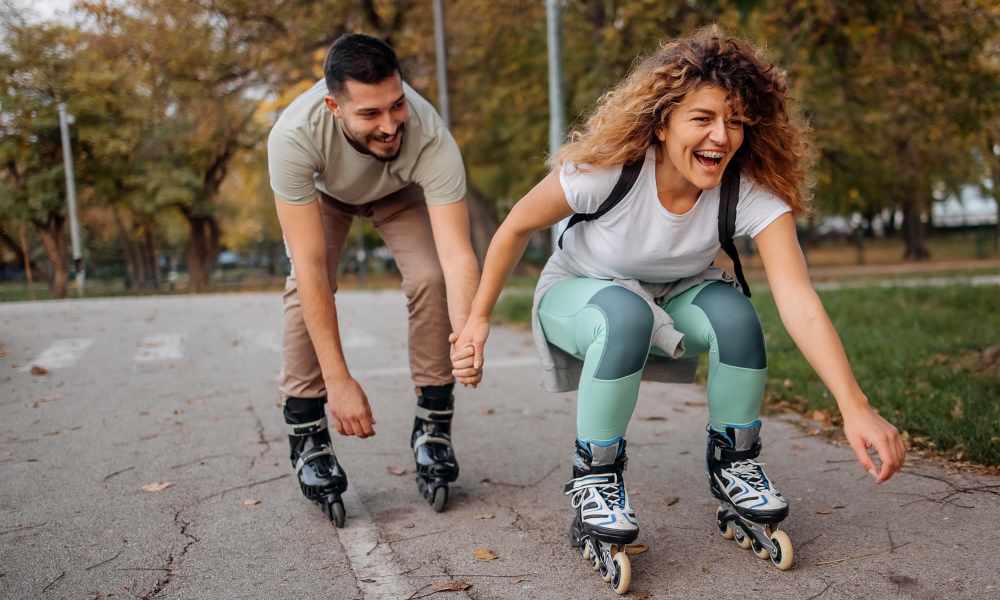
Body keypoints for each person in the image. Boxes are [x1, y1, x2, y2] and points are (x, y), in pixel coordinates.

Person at [450, 27, 906, 592]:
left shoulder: (748, 191)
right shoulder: (608, 171)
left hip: (677, 291)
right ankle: (595, 476)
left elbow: (798, 298)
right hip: (582, 291)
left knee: (737, 315)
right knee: (626, 315)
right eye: (704, 118)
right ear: (662, 122)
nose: (722, 136)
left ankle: (735, 464)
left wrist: (854, 405)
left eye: (737, 121)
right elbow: (515, 225)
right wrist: (478, 319)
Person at [268, 33, 480, 524]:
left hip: (397, 191)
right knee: (306, 285)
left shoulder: (428, 133)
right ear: (333, 107)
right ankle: (305, 429)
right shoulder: (293, 136)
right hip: (325, 195)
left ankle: (433, 423)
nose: (389, 126)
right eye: (369, 114)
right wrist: (337, 382)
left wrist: (467, 333)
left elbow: (456, 254)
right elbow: (312, 270)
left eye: (396, 105)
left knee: (430, 276)